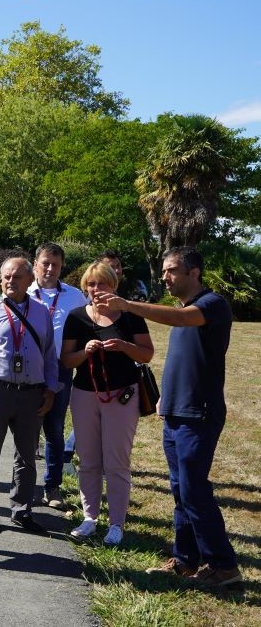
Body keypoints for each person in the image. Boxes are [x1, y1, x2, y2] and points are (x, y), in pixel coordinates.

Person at [95, 246, 242, 587]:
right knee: (180, 490)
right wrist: (165, 400)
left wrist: (127, 305)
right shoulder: (182, 310)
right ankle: (186, 559)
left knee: (193, 488)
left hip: (199, 413)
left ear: (194, 273)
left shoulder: (210, 306)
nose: (164, 276)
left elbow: (181, 318)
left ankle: (224, 566)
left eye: (172, 270)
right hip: (176, 411)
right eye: (163, 270)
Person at [61, 262, 154, 546]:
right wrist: (84, 353)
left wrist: (125, 347)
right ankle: (89, 518)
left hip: (121, 395)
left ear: (113, 286)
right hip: (85, 394)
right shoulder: (76, 317)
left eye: (102, 284)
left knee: (116, 461)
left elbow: (148, 354)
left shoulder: (130, 316)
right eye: (91, 284)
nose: (96, 290)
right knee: (88, 461)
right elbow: (66, 361)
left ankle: (116, 524)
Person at [0, 256, 60, 535]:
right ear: (0, 279)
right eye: (6, 277)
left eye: (17, 277)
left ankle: (21, 510)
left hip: (30, 395)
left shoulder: (41, 311)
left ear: (29, 279)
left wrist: (50, 389)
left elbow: (49, 354)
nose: (11, 281)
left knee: (26, 457)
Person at [27, 242, 87, 510]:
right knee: (26, 431)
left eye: (56, 264)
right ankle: (26, 487)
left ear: (62, 267)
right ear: (35, 263)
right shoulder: (23, 291)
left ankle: (52, 487)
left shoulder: (75, 297)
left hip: (61, 369)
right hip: (27, 370)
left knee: (54, 430)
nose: (50, 269)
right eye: (45, 263)